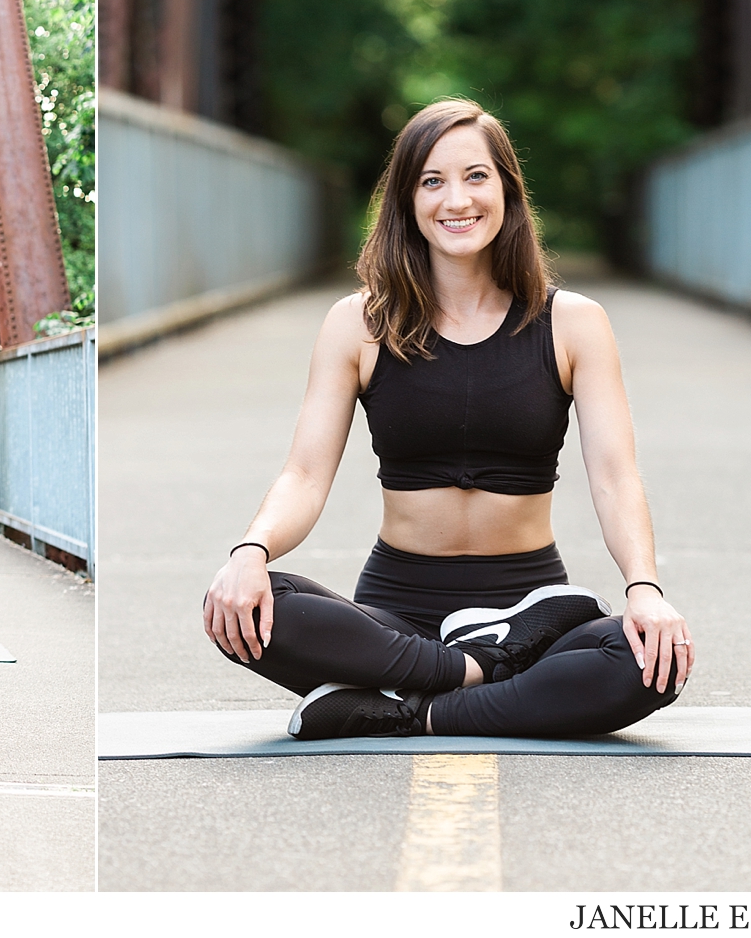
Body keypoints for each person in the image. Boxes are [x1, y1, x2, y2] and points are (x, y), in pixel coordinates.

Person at [203, 98, 693, 740]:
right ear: (407, 201)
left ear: (508, 191)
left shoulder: (573, 322)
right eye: (431, 181)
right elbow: (303, 473)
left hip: (530, 609)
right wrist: (250, 550)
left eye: (475, 176)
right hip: (396, 614)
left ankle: (408, 707)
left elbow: (615, 476)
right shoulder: (360, 323)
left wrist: (645, 588)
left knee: (650, 661)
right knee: (250, 607)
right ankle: (478, 670)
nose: (455, 200)